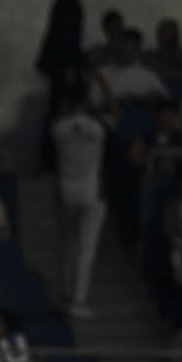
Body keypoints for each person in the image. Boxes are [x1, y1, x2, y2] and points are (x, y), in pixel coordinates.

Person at [49, 89, 108, 317]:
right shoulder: (96, 128)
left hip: (66, 187)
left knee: (66, 243)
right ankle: (78, 300)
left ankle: (65, 292)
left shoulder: (59, 128)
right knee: (86, 247)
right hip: (90, 187)